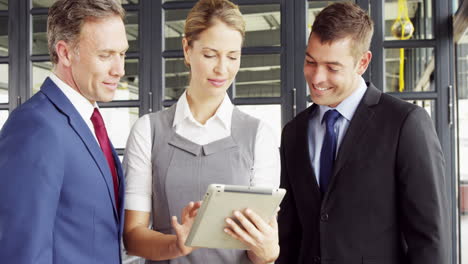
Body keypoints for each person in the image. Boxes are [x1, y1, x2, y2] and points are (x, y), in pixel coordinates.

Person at [277, 2, 449, 264]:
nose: (317, 78)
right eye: (311, 61)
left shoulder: (405, 123)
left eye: (332, 68)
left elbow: (429, 238)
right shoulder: (294, 132)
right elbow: (289, 234)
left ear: (362, 62)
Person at [122, 0, 280, 263]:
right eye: (210, 55)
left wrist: (268, 252)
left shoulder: (259, 135)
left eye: (233, 56)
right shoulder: (148, 130)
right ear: (187, 49)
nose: (222, 69)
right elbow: (133, 236)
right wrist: (177, 245)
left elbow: (261, 251)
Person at [0, 0, 129, 263]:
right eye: (105, 55)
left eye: (122, 54)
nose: (120, 70)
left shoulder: (89, 122)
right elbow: (23, 252)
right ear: (66, 53)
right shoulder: (35, 126)